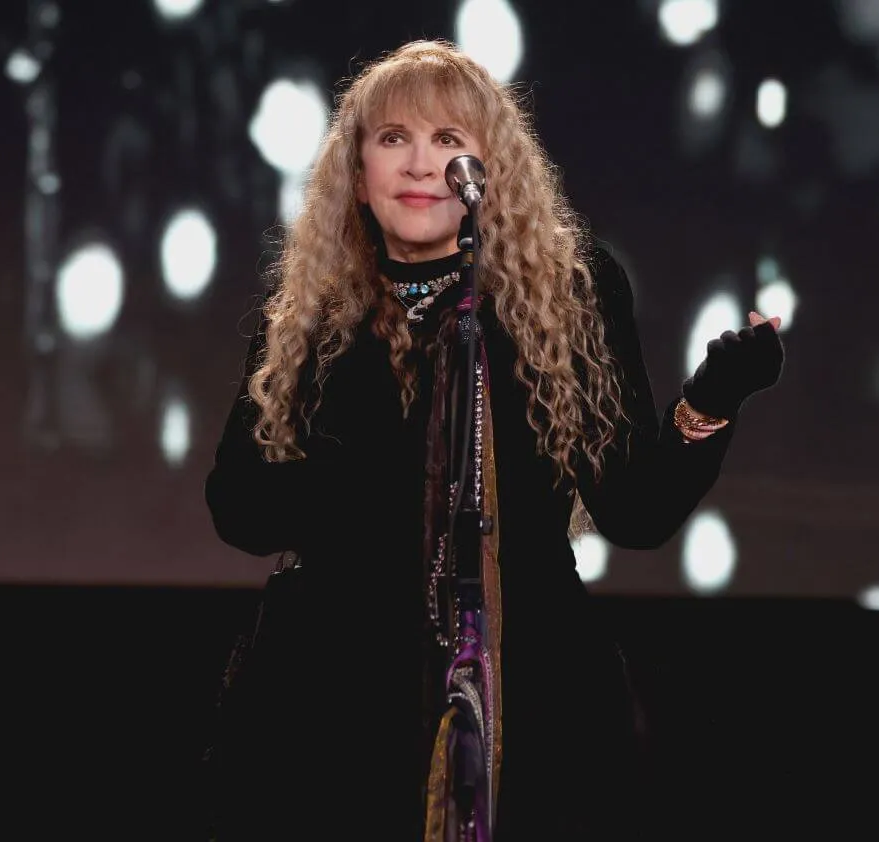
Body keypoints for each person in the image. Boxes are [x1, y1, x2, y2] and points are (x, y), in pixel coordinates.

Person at [202, 39, 784, 841]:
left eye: (449, 141)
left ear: (490, 169)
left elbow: (636, 511)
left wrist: (714, 398)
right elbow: (241, 509)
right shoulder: (311, 312)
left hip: (531, 692)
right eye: (394, 138)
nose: (419, 163)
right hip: (332, 699)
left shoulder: (570, 295)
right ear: (359, 174)